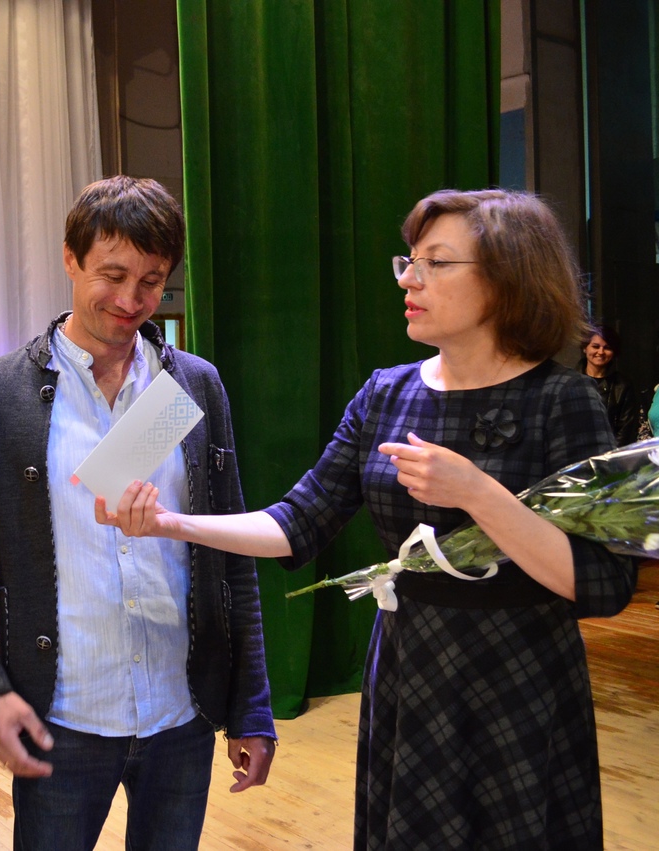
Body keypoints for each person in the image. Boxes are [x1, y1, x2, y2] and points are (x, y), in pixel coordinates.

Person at [98, 189, 639, 849]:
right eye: (409, 261)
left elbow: (604, 583)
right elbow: (296, 522)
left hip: (518, 676)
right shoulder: (387, 393)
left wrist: (478, 492)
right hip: (410, 667)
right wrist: (171, 524)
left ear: (507, 278)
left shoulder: (564, 400)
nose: (409, 280)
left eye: (436, 263)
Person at [0, 175, 276, 851]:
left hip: (181, 716)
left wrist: (252, 706)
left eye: (151, 281)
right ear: (70, 258)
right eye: (112, 275)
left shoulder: (192, 384)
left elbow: (230, 555)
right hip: (62, 717)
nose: (130, 301)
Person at [579, 325, 638, 445]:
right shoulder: (570, 381)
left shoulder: (623, 386)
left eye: (607, 348)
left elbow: (625, 432)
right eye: (595, 346)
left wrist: (610, 455)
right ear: (585, 348)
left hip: (610, 452)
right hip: (574, 451)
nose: (601, 352)